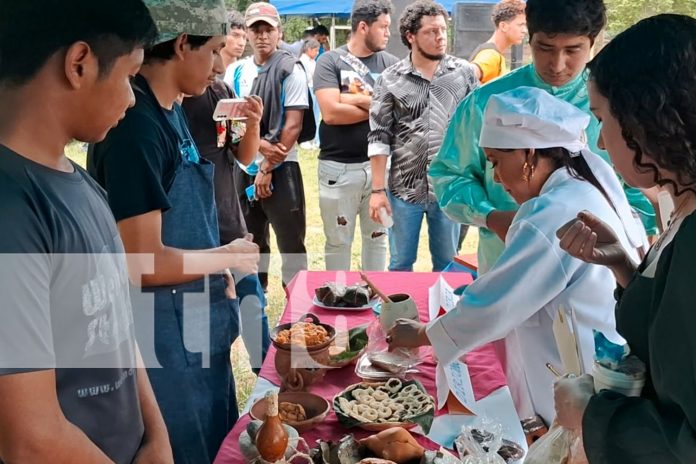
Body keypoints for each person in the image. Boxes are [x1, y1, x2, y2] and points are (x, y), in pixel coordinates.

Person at [429, 0, 655, 416]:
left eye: (574, 50)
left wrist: (642, 236)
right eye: (545, 48)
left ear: (594, 43)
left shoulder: (607, 103)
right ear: (526, 37)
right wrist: (491, 215)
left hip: (579, 283)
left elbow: (634, 187)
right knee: (523, 364)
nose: (558, 64)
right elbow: (447, 176)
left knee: (552, 381)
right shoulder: (485, 103)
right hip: (503, 266)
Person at [387, 86, 646, 424]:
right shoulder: (586, 178)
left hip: (582, 378)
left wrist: (423, 334)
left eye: (496, 160)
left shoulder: (553, 210)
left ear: (528, 155)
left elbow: (497, 305)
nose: (495, 176)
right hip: (595, 358)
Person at [0, 1, 173, 463]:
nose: (133, 98)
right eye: (129, 76)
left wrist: (156, 436)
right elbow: (31, 440)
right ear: (79, 64)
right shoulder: (12, 212)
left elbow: (117, 328)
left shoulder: (83, 186)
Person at [87, 1, 260, 462]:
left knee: (217, 440)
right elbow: (140, 262)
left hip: (198, 322)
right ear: (183, 45)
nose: (222, 64)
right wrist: (226, 256)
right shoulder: (136, 127)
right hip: (160, 339)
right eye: (216, 50)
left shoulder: (171, 110)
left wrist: (215, 266)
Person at [553, 14, 696, 462]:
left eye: (601, 118)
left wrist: (593, 415)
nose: (599, 139)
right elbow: (670, 331)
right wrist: (624, 268)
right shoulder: (679, 204)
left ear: (643, 119)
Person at [367, 0, 478, 272]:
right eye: (431, 31)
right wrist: (378, 190)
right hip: (403, 190)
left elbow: (475, 128)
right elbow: (379, 135)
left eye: (443, 30)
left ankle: (443, 314)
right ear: (410, 36)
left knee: (448, 263)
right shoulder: (390, 79)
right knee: (400, 263)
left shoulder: (463, 74)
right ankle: (399, 313)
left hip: (449, 188)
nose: (440, 37)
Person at [181, 40, 270, 372]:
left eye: (220, 53)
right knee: (205, 344)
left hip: (230, 225)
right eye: (213, 52)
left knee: (253, 308)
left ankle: (267, 379)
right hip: (190, 242)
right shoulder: (159, 108)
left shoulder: (218, 92)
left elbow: (243, 155)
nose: (218, 65)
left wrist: (254, 123)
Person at [313, 0, 399, 271]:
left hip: (381, 171)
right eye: (383, 27)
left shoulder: (392, 64)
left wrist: (354, 99)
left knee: (378, 239)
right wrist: (378, 105)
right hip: (338, 169)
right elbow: (331, 113)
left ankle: (374, 304)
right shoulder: (330, 61)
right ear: (363, 27)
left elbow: (397, 112)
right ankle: (338, 300)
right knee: (338, 242)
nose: (388, 33)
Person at [232, 2, 309, 290]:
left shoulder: (291, 69)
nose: (262, 36)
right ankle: (256, 302)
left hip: (283, 167)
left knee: (291, 244)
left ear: (280, 32)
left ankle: (298, 313)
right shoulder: (236, 72)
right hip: (243, 166)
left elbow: (292, 126)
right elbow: (231, 124)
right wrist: (262, 147)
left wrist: (267, 167)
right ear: (247, 34)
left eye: (268, 29)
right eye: (256, 30)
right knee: (251, 241)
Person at [470, 0, 526, 84]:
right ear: (503, 26)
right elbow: (466, 75)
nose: (525, 30)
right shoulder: (491, 56)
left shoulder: (495, 54)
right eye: (520, 25)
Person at [222, 10, 248, 83]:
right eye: (235, 35)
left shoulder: (248, 73)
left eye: (244, 37)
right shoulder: (206, 73)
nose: (242, 43)